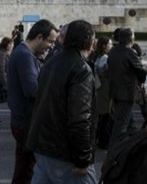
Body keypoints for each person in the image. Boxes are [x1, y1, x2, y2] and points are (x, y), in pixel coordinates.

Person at [27, 19, 97, 184]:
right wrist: (83, 158)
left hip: (42, 147)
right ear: (91, 42)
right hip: (64, 153)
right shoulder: (81, 69)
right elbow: (80, 118)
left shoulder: (51, 62)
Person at [7, 19, 59, 184]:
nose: (51, 46)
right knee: (27, 171)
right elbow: (32, 90)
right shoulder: (25, 56)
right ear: (38, 37)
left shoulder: (24, 53)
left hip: (22, 120)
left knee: (24, 168)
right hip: (26, 121)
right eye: (50, 41)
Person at [106, 27, 147, 146]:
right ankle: (114, 152)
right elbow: (141, 71)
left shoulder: (113, 51)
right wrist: (141, 78)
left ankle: (135, 144)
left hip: (115, 91)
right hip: (126, 93)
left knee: (129, 122)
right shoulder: (129, 52)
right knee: (121, 125)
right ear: (131, 38)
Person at [91, 36, 112, 150]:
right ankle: (103, 141)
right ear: (104, 46)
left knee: (100, 117)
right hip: (104, 90)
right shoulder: (104, 58)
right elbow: (102, 72)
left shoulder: (96, 56)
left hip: (99, 90)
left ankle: (99, 139)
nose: (111, 46)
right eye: (110, 44)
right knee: (104, 117)